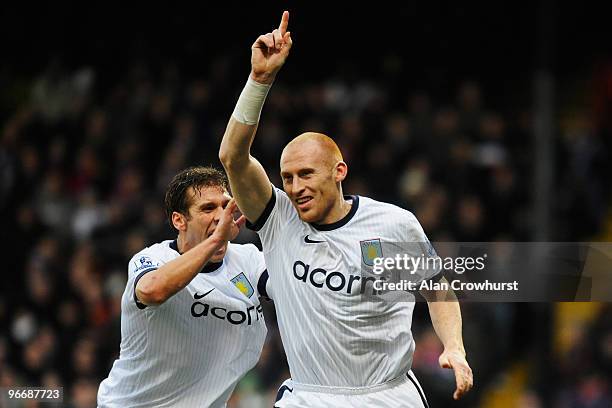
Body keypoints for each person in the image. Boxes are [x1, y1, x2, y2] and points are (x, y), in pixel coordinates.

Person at [219, 11, 473, 407]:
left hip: (385, 396)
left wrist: (454, 347)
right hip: (310, 396)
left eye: (306, 174)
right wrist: (260, 80)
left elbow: (437, 289)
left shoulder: (393, 225)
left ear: (340, 171)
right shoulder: (279, 219)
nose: (295, 187)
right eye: (287, 178)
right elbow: (232, 157)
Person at [97, 166, 270, 408]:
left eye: (225, 205)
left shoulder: (248, 260)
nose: (221, 216)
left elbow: (292, 284)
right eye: (208, 208)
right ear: (179, 220)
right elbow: (152, 291)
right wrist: (215, 241)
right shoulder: (153, 260)